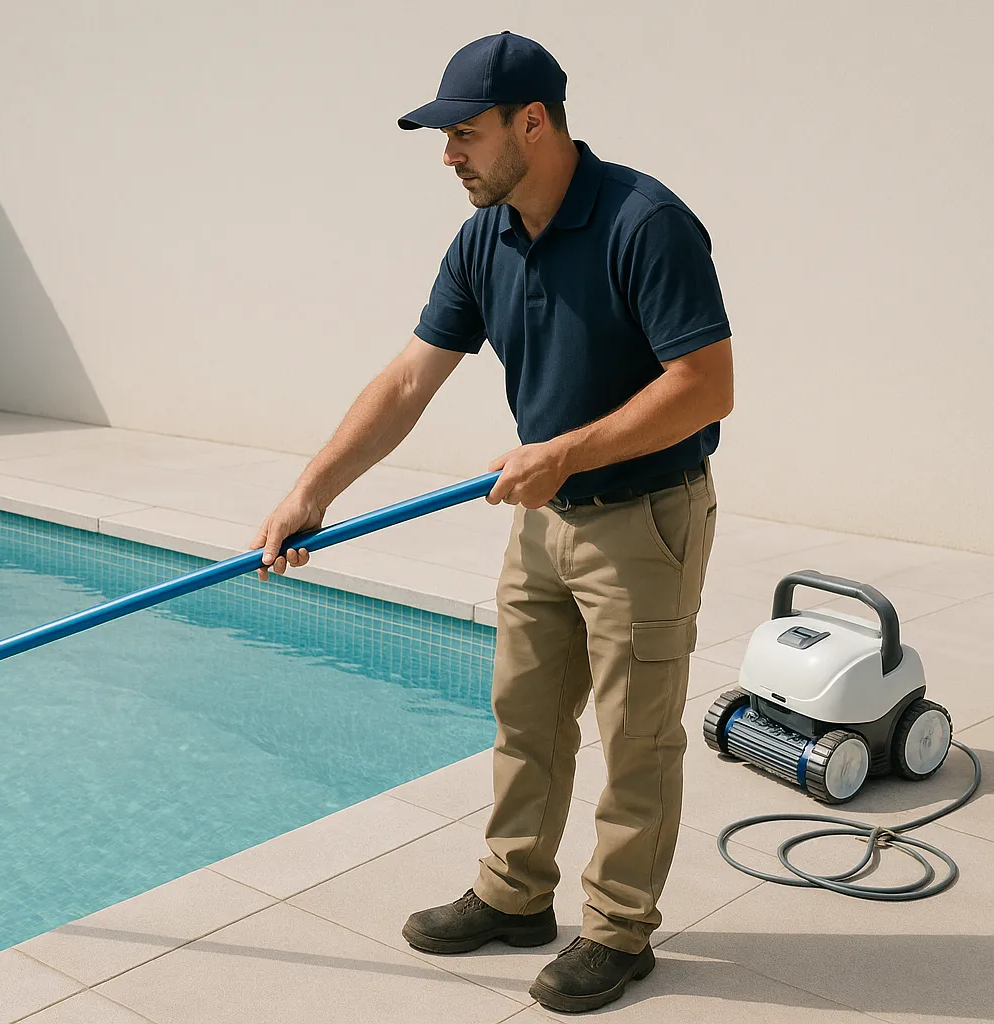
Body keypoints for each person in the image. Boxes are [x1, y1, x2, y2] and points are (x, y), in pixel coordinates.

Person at [250, 30, 733, 1014]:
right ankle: (516, 897)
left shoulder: (646, 223)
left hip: (644, 519)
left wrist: (565, 451)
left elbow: (706, 387)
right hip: (544, 518)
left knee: (636, 734)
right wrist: (313, 489)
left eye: (463, 133)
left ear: (534, 121)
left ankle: (619, 927)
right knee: (524, 713)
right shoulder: (487, 234)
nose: (447, 155)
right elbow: (405, 380)